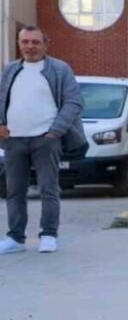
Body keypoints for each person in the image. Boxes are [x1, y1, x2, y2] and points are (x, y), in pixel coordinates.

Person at [0, 26, 84, 254]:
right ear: (19, 44)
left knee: (49, 188)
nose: (30, 46)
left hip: (46, 140)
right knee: (15, 191)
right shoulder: (9, 70)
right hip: (14, 140)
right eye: (25, 42)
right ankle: (16, 239)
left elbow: (73, 102)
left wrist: (55, 131)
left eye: (35, 42)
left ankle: (48, 235)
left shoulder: (59, 69)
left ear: (46, 44)